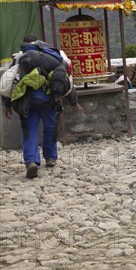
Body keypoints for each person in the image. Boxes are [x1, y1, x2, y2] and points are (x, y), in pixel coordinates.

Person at [1, 34, 84, 179]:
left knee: (29, 131)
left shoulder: (19, 59)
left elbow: (8, 82)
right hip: (49, 101)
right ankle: (51, 158)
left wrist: (7, 105)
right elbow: (66, 79)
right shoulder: (52, 57)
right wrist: (74, 102)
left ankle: (31, 161)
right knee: (50, 129)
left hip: (27, 102)